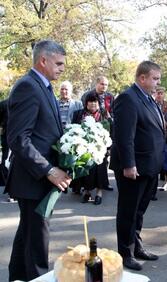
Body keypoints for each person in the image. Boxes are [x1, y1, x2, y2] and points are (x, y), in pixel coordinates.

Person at [6, 40, 71, 281]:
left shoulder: (43, 87)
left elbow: (46, 133)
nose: (62, 68)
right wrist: (49, 170)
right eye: (59, 63)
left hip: (40, 179)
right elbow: (18, 139)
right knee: (37, 242)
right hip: (33, 179)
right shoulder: (28, 86)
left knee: (27, 234)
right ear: (43, 60)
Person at [110, 61, 164, 271]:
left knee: (139, 211)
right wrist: (129, 165)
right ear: (142, 78)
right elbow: (124, 136)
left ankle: (137, 247)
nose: (158, 83)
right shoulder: (128, 98)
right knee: (128, 212)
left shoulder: (149, 99)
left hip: (150, 166)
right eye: (155, 78)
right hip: (134, 168)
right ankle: (124, 254)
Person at [71, 93, 111, 205]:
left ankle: (99, 192)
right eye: (90, 101)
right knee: (86, 169)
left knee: (99, 169)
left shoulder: (104, 113)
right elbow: (73, 129)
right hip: (84, 147)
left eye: (95, 101)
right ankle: (87, 192)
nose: (93, 104)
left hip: (100, 148)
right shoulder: (79, 114)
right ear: (86, 103)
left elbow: (110, 129)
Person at [81, 76, 114, 191]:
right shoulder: (87, 95)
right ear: (96, 84)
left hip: (104, 129)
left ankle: (104, 183)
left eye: (106, 84)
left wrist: (110, 121)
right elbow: (83, 110)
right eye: (102, 84)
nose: (104, 86)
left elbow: (112, 112)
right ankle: (86, 186)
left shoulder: (110, 97)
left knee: (103, 159)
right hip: (89, 128)